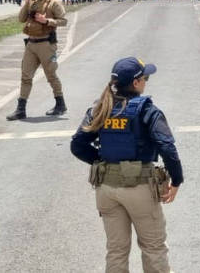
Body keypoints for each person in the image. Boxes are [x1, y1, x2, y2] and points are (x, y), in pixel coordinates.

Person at [70, 57, 182, 273]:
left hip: (106, 189)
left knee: (116, 250)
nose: (146, 82)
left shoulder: (101, 107)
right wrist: (177, 179)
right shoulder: (147, 110)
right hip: (139, 188)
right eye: (145, 78)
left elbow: (77, 144)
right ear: (136, 82)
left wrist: (103, 162)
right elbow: (167, 146)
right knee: (153, 247)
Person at [6, 0, 68, 120]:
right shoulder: (31, 1)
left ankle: (60, 104)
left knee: (51, 75)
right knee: (25, 76)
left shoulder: (53, 2)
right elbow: (21, 19)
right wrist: (26, 2)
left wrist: (46, 21)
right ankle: (21, 109)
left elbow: (63, 21)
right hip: (31, 43)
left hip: (46, 43)